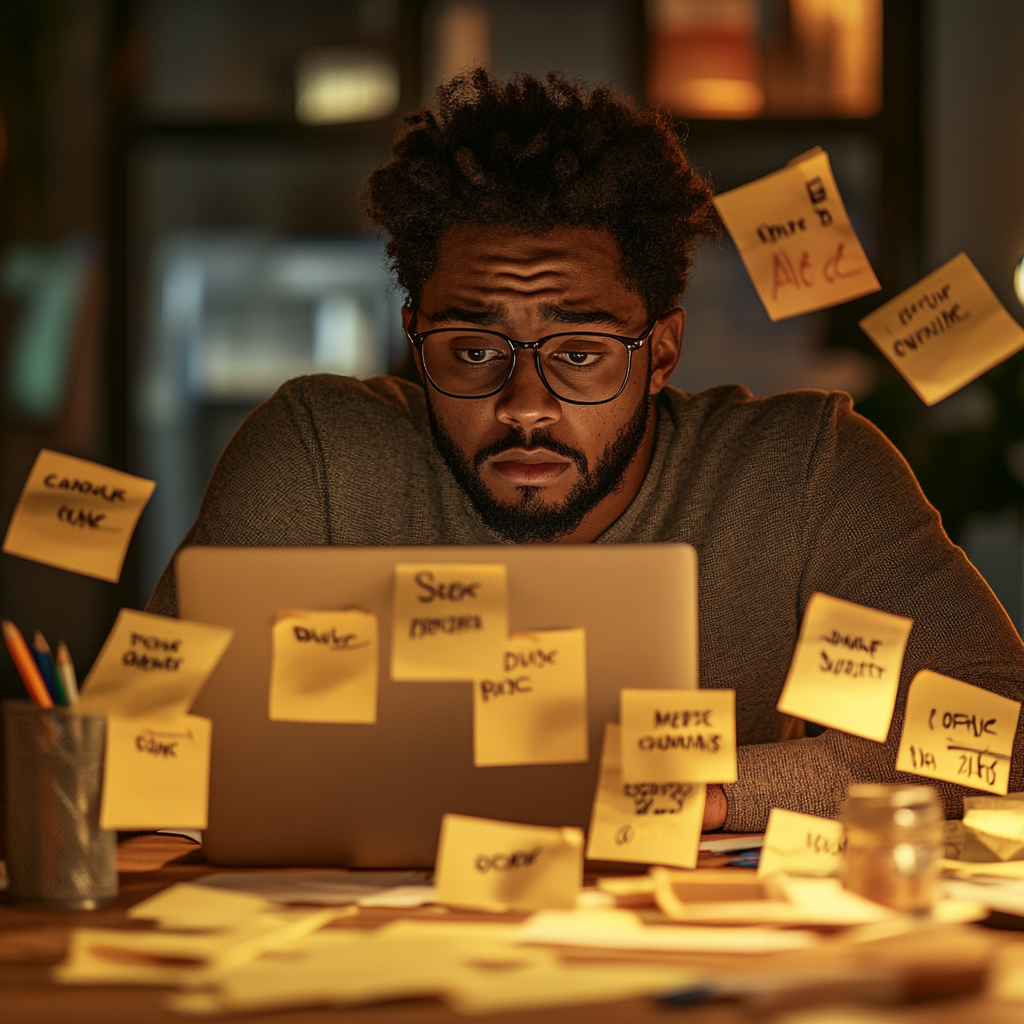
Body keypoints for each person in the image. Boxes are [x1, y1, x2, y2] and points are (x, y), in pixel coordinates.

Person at [147, 69, 1024, 832]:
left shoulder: (800, 470)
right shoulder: (318, 458)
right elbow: (138, 730)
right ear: (415, 339)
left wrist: (714, 792)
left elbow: (1006, 723)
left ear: (663, 351)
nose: (525, 407)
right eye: (474, 350)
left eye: (579, 353)